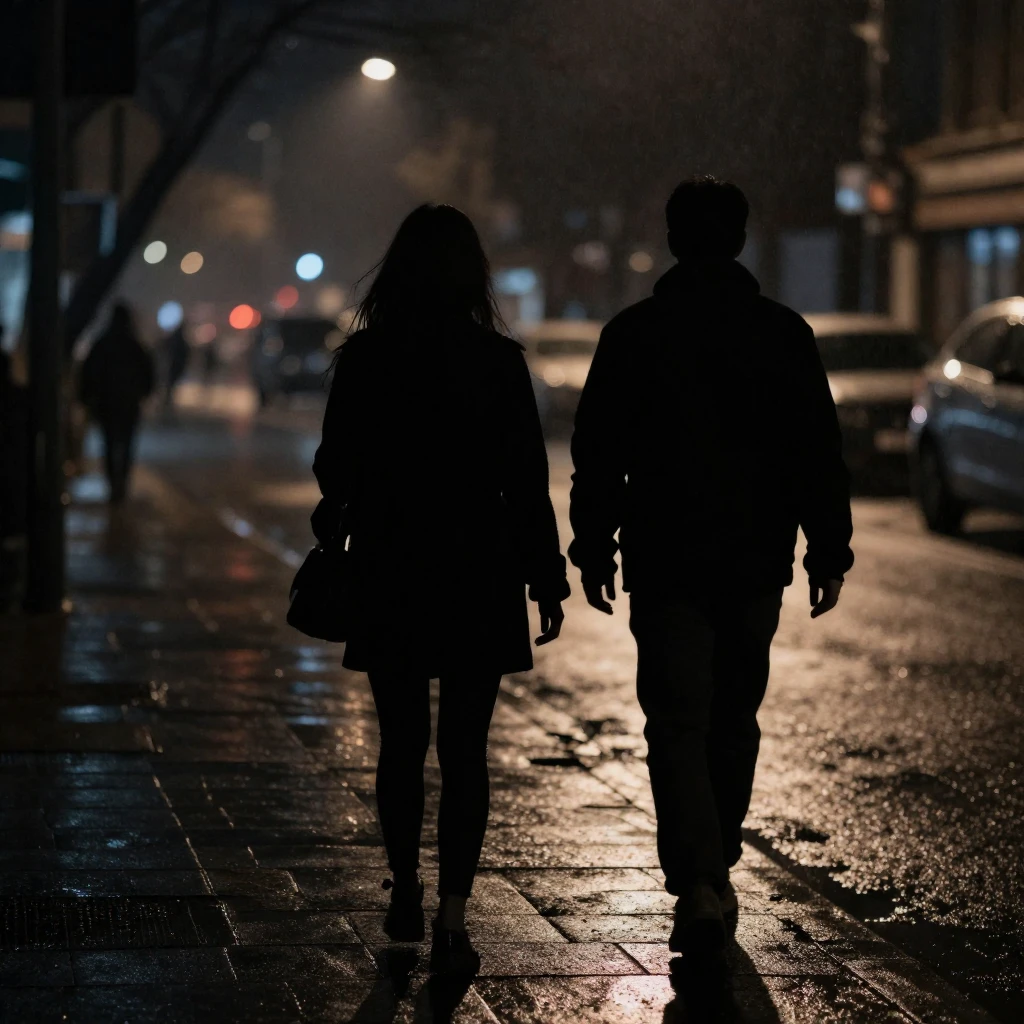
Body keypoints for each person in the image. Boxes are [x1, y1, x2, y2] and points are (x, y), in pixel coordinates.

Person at [569, 176, 853, 953]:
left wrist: (592, 545)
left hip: (666, 555)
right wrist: (829, 546)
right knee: (733, 713)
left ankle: (700, 874)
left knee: (676, 718)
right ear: (740, 238)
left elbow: (598, 456)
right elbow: (816, 453)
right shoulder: (782, 333)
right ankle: (714, 862)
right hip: (755, 555)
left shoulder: (635, 333)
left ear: (670, 238)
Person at [311, 204, 569, 974]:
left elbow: (335, 467)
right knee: (465, 749)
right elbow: (527, 482)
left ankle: (405, 887)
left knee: (401, 742)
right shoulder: (497, 362)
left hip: (393, 560)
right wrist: (546, 576)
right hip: (478, 569)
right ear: (472, 275)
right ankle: (454, 914)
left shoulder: (366, 360)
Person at [79, 303, 155, 504]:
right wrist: (143, 393)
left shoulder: (102, 344)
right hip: (129, 404)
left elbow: (89, 374)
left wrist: (86, 398)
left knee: (109, 443)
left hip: (107, 405)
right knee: (127, 444)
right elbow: (148, 374)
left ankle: (113, 484)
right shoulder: (135, 346)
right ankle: (122, 483)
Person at [162, 323, 189, 409]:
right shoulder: (180, 341)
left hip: (172, 365)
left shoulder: (174, 340)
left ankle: (167, 400)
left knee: (169, 384)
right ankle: (167, 400)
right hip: (174, 365)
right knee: (170, 384)